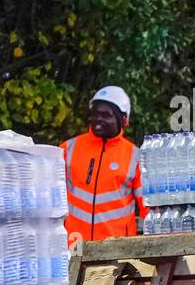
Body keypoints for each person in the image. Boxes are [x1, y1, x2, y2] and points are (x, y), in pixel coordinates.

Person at [62, 86, 147, 245]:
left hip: (117, 249)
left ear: (123, 120)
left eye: (106, 115)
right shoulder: (68, 148)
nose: (98, 119)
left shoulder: (135, 156)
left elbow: (147, 208)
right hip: (73, 246)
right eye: (96, 113)